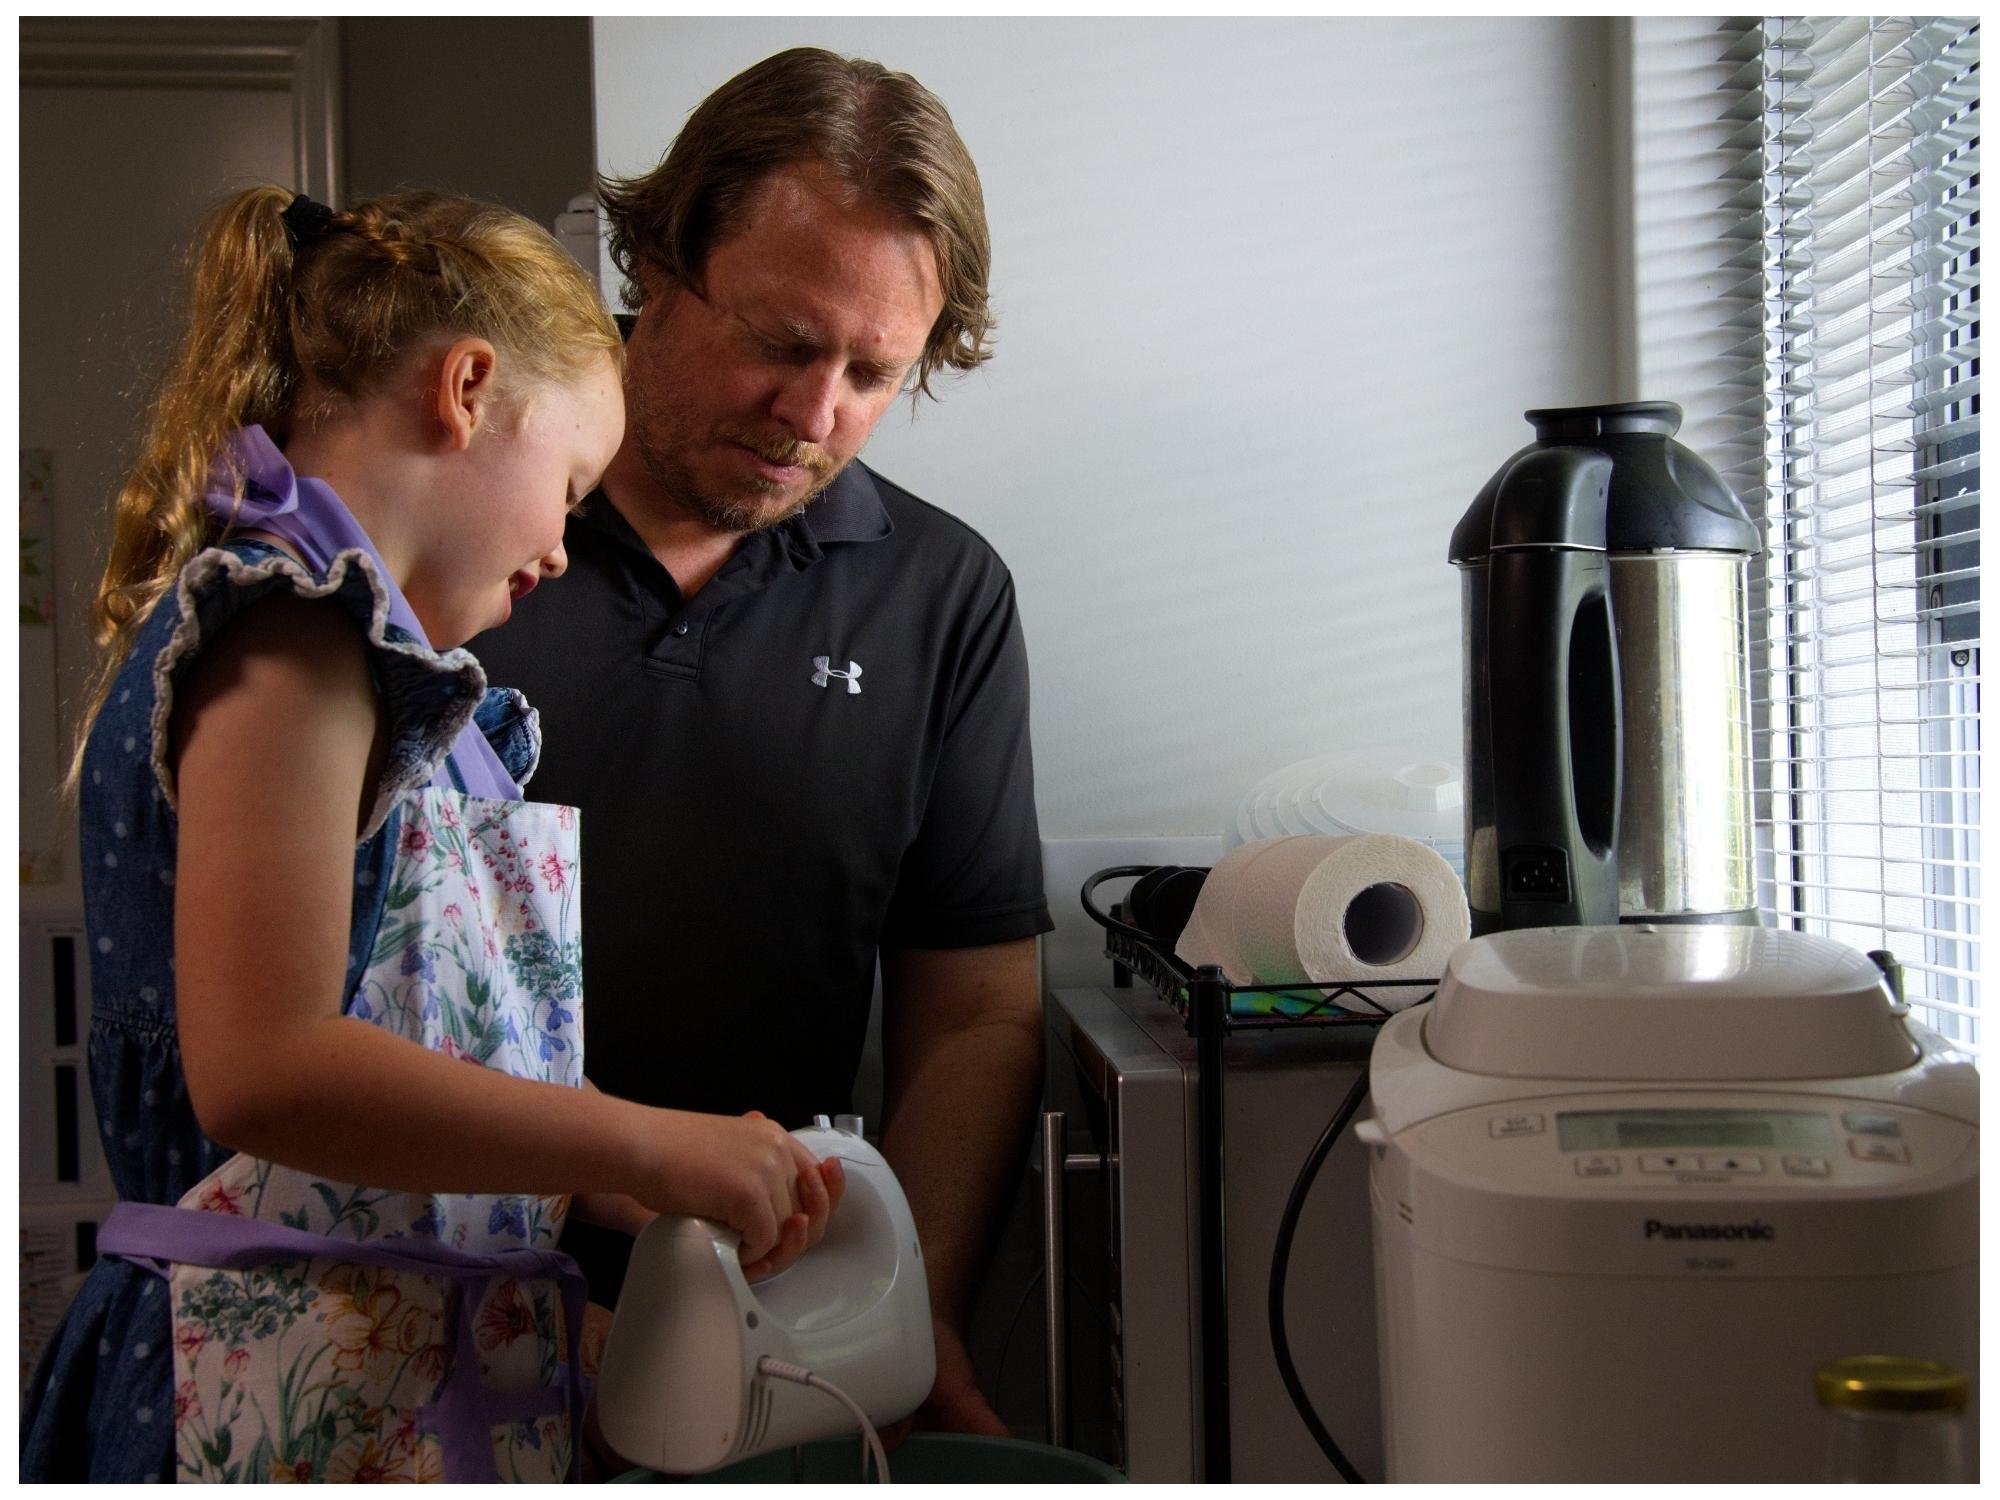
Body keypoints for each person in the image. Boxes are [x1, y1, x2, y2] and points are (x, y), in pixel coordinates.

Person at [20, 186, 840, 1483]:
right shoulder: (293, 636)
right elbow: (267, 1071)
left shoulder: (418, 703)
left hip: (390, 1384)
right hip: (261, 1386)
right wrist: (641, 1138)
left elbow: (423, 1070)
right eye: (569, 489)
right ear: (467, 387)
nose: (564, 552)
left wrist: (634, 1189)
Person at [471, 47, 1051, 1436]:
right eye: (785, 345)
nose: (815, 417)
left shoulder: (940, 594)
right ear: (656, 259)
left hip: (771, 1333)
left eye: (873, 372)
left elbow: (974, 1009)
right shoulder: (461, 537)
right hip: (447, 1309)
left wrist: (905, 1313)